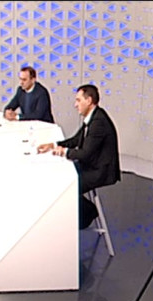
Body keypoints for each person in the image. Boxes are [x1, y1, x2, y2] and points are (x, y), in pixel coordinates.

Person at [36, 84, 120, 229]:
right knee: (59, 178)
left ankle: (88, 213)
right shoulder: (93, 117)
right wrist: (54, 145)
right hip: (91, 165)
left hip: (99, 171)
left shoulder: (98, 122)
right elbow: (76, 139)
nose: (75, 105)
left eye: (78, 100)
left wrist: (64, 151)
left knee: (65, 187)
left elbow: (85, 154)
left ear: (89, 100)